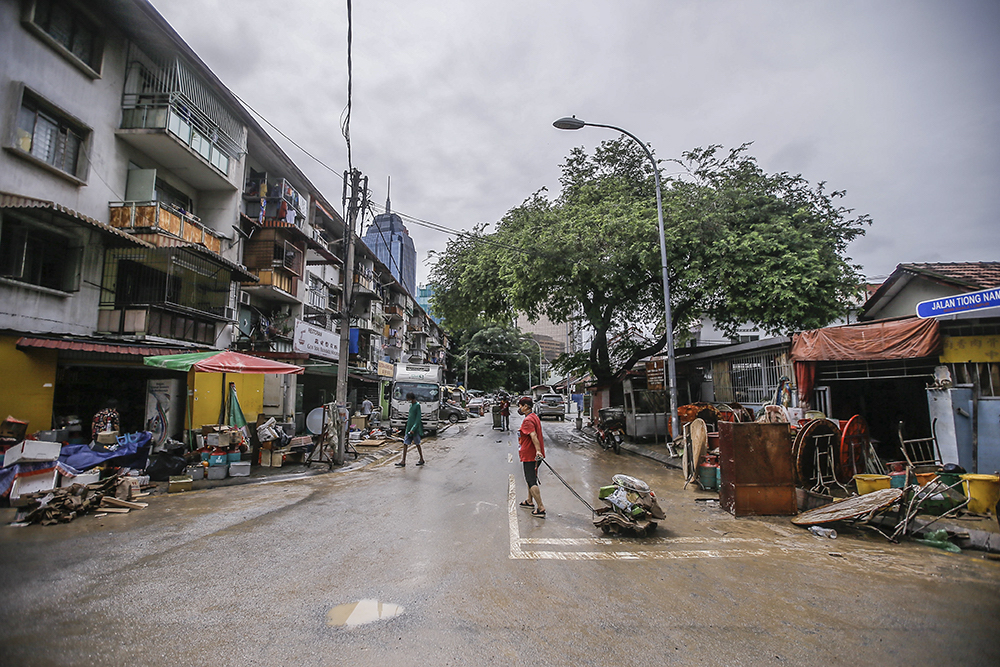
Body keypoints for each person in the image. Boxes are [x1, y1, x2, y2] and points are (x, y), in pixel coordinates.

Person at [516, 396, 546, 517]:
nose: (519, 408)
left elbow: (533, 436)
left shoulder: (528, 420)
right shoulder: (534, 417)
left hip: (531, 455)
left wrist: (538, 451)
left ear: (526, 407)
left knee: (531, 480)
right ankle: (529, 501)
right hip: (533, 455)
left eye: (520, 405)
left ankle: (540, 507)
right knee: (530, 478)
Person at [396, 392, 425, 468]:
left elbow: (418, 419)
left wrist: (413, 429)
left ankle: (421, 459)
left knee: (417, 444)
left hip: (414, 430)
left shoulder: (417, 405)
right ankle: (403, 461)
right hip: (409, 428)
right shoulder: (411, 405)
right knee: (405, 444)